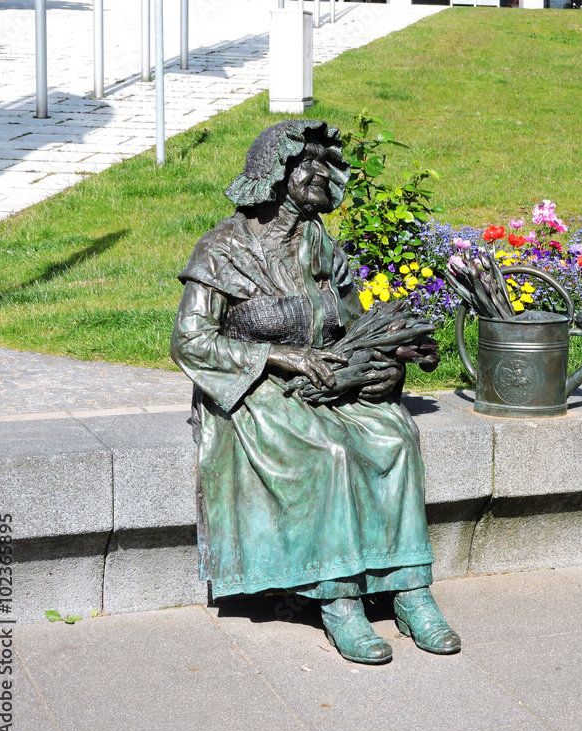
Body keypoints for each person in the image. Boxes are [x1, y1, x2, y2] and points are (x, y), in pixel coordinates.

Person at [170, 119, 459, 665]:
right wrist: (280, 356)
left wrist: (394, 357)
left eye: (325, 165)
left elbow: (350, 326)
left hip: (324, 377)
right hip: (254, 387)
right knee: (329, 454)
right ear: (274, 176)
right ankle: (339, 599)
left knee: (396, 433)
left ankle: (410, 589)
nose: (321, 175)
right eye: (307, 164)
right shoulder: (223, 249)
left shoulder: (318, 245)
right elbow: (189, 341)